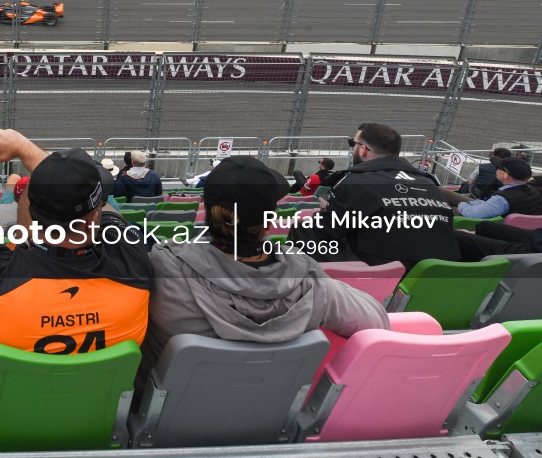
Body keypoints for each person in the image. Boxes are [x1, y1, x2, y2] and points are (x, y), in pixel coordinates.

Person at [0, 130, 153, 390]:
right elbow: (105, 212)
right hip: (93, 397)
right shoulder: (133, 259)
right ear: (94, 218)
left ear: (30, 215)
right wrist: (23, 147)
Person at [140, 156, 389, 378]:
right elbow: (377, 321)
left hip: (166, 412)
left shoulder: (164, 267)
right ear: (270, 219)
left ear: (209, 212)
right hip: (276, 414)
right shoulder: (310, 280)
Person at [287, 123, 460, 269]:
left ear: (363, 150)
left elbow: (326, 231)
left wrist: (328, 211)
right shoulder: (428, 182)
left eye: (353, 143)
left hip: (385, 269)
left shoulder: (354, 181)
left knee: (302, 230)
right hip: (438, 268)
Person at [444, 157, 541, 220]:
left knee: (438, 207)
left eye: (497, 167)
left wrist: (461, 204)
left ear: (505, 175)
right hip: (486, 207)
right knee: (441, 192)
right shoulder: (533, 190)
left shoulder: (502, 199)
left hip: (471, 218)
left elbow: (472, 214)